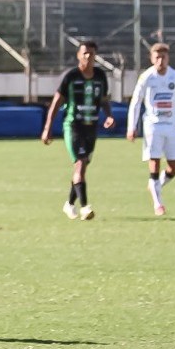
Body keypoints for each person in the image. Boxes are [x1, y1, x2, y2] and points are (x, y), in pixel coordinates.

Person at [40, 40, 115, 220]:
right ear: (78, 55)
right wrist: (47, 128)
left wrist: (109, 115)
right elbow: (56, 103)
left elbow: (103, 99)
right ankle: (85, 207)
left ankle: (69, 204)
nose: (88, 56)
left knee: (80, 168)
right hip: (73, 126)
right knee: (80, 163)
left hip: (92, 127)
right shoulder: (71, 77)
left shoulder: (100, 76)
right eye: (84, 53)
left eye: (91, 53)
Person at [126, 42, 175, 216]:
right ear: (151, 58)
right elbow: (135, 102)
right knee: (154, 162)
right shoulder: (146, 78)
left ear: (168, 58)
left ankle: (154, 185)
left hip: (172, 127)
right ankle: (158, 203)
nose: (160, 60)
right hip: (153, 126)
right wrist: (131, 127)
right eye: (157, 57)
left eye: (163, 57)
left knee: (174, 167)